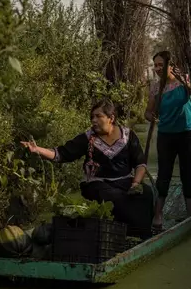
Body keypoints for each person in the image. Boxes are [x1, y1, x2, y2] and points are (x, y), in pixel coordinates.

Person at [21, 99, 154, 239]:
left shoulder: (128, 136)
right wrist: (37, 149)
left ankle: (142, 235)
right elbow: (61, 154)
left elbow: (140, 163)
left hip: (125, 181)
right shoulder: (87, 138)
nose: (94, 120)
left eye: (98, 116)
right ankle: (122, 235)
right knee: (115, 198)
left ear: (111, 118)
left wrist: (136, 183)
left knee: (146, 194)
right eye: (92, 117)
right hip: (97, 184)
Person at [144, 51, 191, 233]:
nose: (157, 69)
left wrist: (181, 79)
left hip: (188, 133)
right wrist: (151, 118)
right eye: (156, 65)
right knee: (164, 174)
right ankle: (158, 216)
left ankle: (190, 215)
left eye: (161, 65)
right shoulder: (155, 87)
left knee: (187, 173)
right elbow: (148, 112)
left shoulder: (183, 80)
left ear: (170, 66)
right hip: (166, 134)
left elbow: (190, 92)